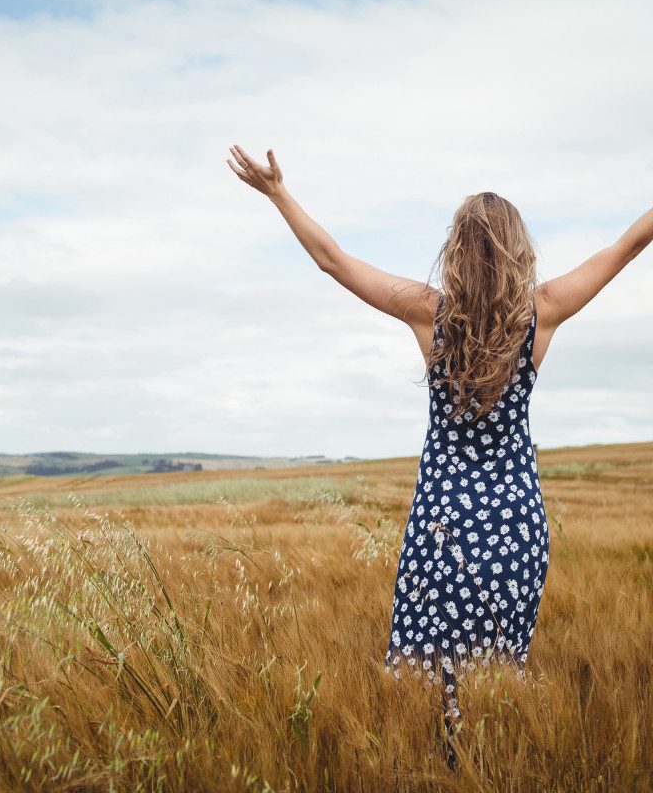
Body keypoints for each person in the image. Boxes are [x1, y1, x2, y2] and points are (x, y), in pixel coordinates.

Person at [226, 144, 653, 765]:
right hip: (515, 524)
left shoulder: (430, 315)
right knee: (499, 673)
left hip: (443, 522)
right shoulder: (545, 312)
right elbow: (627, 245)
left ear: (455, 250)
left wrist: (278, 194)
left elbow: (333, 261)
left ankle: (437, 766)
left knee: (433, 677)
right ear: (520, 251)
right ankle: (491, 766)